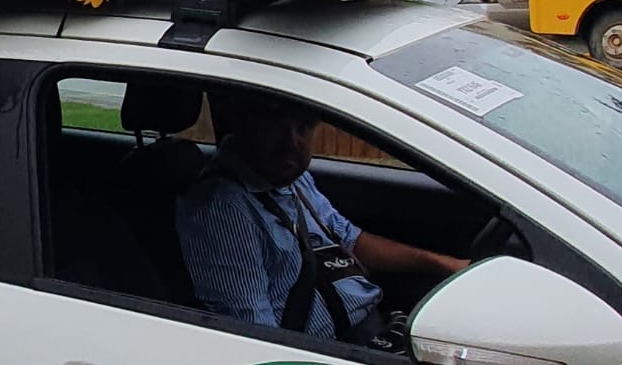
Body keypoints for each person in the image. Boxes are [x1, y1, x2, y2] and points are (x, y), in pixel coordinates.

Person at [176, 95, 468, 346]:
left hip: (375, 330)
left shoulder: (289, 177)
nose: (293, 142)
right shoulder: (222, 207)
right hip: (333, 363)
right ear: (241, 122)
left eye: (303, 127)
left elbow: (347, 237)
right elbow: (254, 335)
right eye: (275, 126)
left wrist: (442, 264)